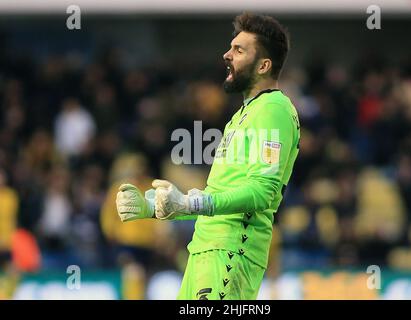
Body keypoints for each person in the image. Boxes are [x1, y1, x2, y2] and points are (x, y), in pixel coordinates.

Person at [116, 12, 300, 300]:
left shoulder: (274, 109)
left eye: (239, 50)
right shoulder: (240, 116)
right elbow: (218, 194)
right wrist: (157, 207)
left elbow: (263, 192)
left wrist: (191, 203)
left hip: (230, 254)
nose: (227, 55)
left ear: (264, 65)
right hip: (203, 252)